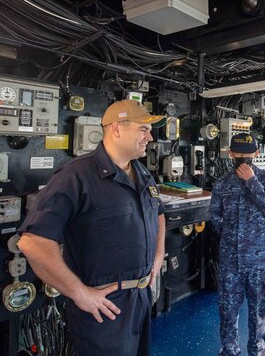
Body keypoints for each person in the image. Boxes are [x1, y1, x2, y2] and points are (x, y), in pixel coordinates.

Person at [18, 99, 167, 356]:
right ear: (116, 128)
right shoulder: (75, 176)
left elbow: (159, 214)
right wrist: (80, 294)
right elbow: (32, 241)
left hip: (141, 298)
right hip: (103, 306)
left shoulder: (142, 173)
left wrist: (156, 258)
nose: (150, 137)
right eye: (143, 129)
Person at [210, 133, 265, 356]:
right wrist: (233, 236)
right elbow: (215, 218)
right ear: (230, 154)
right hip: (231, 260)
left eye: (248, 154)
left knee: (259, 312)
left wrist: (252, 181)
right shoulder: (222, 183)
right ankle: (229, 350)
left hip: (258, 260)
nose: (243, 157)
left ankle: (257, 350)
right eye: (238, 153)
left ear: (256, 154)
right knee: (227, 311)